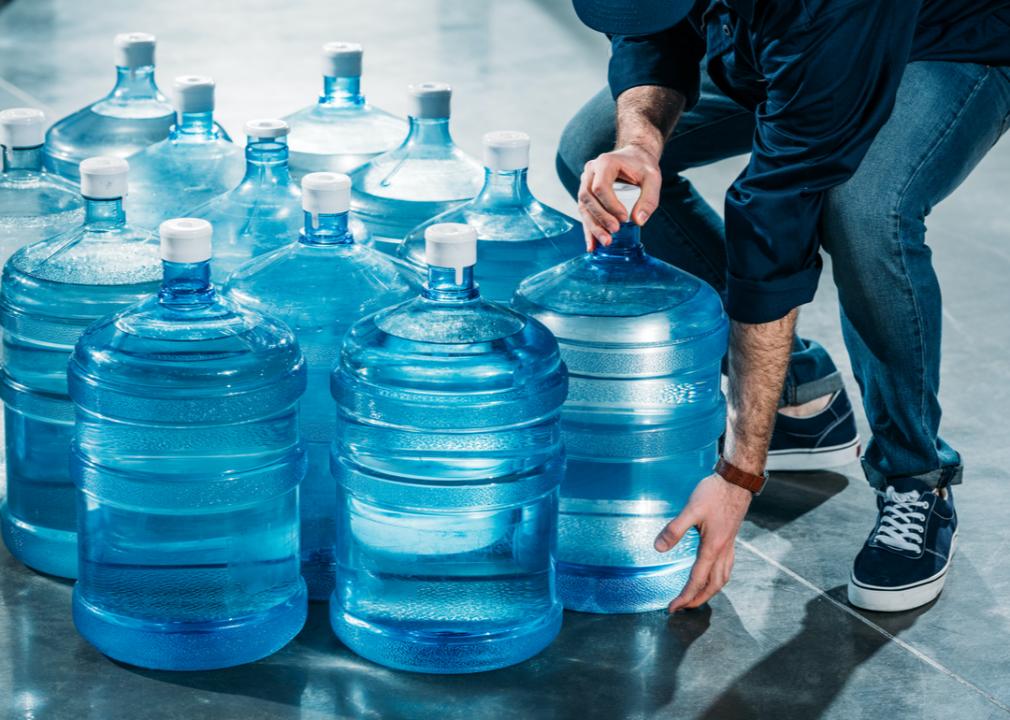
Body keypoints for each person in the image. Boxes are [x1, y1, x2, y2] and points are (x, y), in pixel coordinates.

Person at [561, 0, 1010, 613]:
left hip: (945, 39)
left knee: (863, 210)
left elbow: (776, 214)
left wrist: (738, 474)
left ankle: (915, 474)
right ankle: (802, 394)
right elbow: (650, 32)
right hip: (775, 42)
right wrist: (639, 145)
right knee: (595, 152)